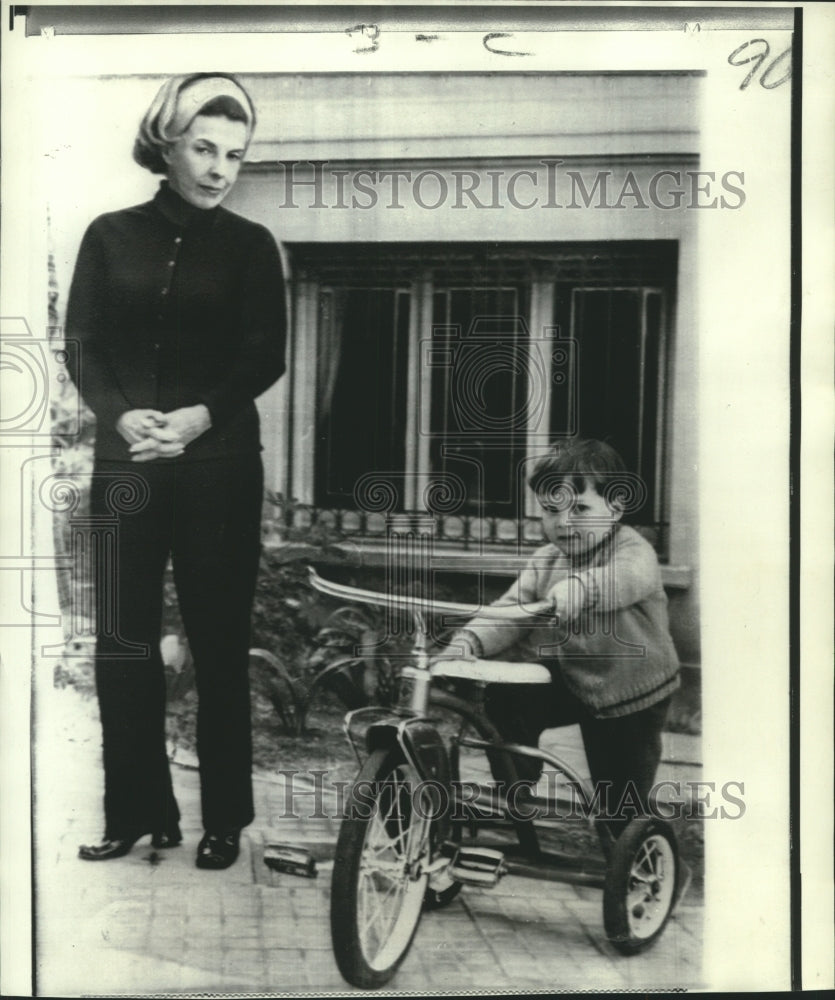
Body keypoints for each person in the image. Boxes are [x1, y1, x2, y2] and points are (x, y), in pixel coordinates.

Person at [65, 73, 286, 869]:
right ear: (167, 143)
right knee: (122, 640)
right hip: (127, 464)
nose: (221, 168)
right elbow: (82, 346)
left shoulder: (252, 247)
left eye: (235, 154)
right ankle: (135, 813)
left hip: (217, 467)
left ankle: (223, 819)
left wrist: (197, 418)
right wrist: (120, 414)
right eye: (204, 148)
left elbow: (265, 354)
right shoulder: (108, 235)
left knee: (219, 640)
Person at [447, 438, 680, 838]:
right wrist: (469, 641)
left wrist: (581, 589)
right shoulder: (546, 560)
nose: (564, 522)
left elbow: (623, 581)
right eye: (552, 511)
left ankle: (645, 860)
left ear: (616, 508)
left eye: (580, 509)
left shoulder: (633, 551)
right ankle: (514, 792)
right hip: (573, 677)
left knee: (619, 802)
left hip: (632, 691)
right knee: (507, 696)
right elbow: (511, 611)